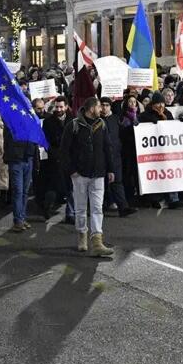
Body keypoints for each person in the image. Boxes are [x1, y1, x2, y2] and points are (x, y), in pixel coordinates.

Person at [60, 97, 115, 257]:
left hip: (98, 173)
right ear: (92, 109)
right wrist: (72, 170)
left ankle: (97, 241)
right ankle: (82, 235)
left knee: (98, 208)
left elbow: (107, 148)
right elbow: (64, 151)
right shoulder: (74, 125)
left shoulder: (101, 124)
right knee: (81, 208)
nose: (102, 109)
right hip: (80, 175)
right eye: (99, 107)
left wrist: (110, 169)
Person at [138, 92, 183, 208]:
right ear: (153, 104)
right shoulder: (145, 115)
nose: (161, 106)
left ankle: (174, 199)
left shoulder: (167, 113)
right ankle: (156, 199)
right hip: (153, 152)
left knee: (171, 173)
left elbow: (173, 127)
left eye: (162, 103)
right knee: (156, 175)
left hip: (167, 150)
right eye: (158, 103)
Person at [100, 97, 137, 217]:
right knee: (102, 183)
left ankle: (123, 207)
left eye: (107, 105)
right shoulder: (97, 120)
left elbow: (124, 133)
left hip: (115, 155)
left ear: (110, 106)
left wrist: (134, 123)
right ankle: (101, 207)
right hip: (101, 156)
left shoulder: (116, 119)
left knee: (117, 181)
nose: (104, 108)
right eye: (102, 105)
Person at [42, 96, 75, 222]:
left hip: (70, 159)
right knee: (54, 186)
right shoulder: (48, 122)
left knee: (72, 187)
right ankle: (48, 207)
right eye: (57, 107)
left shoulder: (73, 121)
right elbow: (45, 142)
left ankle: (70, 214)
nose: (59, 109)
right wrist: (53, 153)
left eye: (61, 106)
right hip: (55, 158)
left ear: (66, 107)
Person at [3, 118, 38, 232]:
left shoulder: (31, 120)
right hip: (16, 160)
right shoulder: (11, 122)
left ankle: (22, 218)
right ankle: (18, 220)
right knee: (18, 191)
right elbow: (8, 141)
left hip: (28, 158)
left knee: (25, 191)